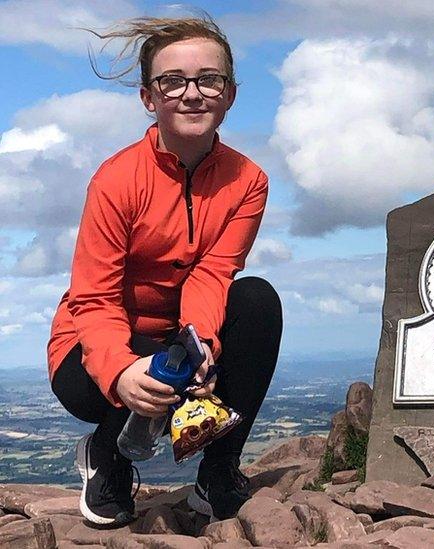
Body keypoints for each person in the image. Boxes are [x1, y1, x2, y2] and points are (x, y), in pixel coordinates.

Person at [46, 14, 282, 528]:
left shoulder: (249, 181)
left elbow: (213, 273)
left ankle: (217, 475)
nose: (192, 93)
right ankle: (106, 456)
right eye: (173, 81)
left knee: (258, 300)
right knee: (120, 377)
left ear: (231, 94)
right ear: (149, 99)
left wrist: (201, 347)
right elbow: (94, 296)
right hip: (97, 338)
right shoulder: (116, 180)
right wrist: (120, 369)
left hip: (178, 334)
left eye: (209, 79)